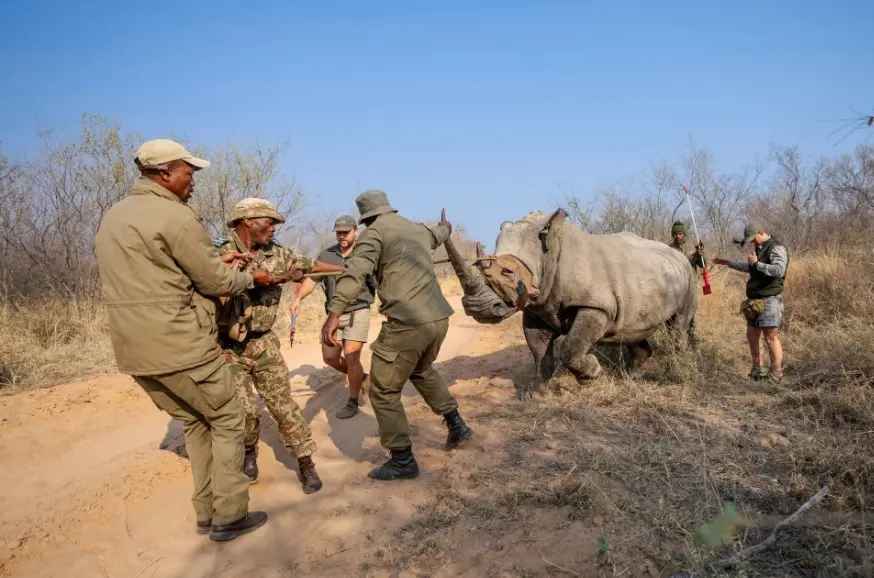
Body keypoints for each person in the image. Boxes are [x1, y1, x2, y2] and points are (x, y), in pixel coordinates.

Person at [94, 139, 271, 541]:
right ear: (164, 173)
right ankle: (229, 516)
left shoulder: (115, 217)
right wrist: (251, 278)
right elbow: (214, 281)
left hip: (134, 350)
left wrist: (214, 261)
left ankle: (206, 513)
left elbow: (158, 272)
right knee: (228, 417)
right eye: (189, 172)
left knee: (195, 421)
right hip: (181, 344)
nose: (193, 181)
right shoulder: (174, 215)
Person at [320, 189, 473, 481]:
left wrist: (334, 313)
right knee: (421, 370)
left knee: (383, 390)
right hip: (438, 318)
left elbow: (355, 274)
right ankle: (457, 426)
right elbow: (437, 235)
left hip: (407, 323)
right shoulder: (414, 228)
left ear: (366, 218)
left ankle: (402, 460)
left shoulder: (373, 235)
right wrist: (446, 228)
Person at [215, 197, 342, 493]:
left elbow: (311, 265)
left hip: (264, 343)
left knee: (283, 405)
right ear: (248, 222)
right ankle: (249, 451)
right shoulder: (219, 254)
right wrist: (268, 279)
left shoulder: (278, 254)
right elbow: (217, 283)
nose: (273, 228)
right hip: (228, 346)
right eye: (268, 222)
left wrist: (345, 269)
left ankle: (305, 461)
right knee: (244, 410)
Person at [292, 215, 377, 419]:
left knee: (351, 356)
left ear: (356, 231)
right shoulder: (327, 255)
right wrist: (298, 299)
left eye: (346, 232)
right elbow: (313, 278)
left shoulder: (365, 254)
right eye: (339, 232)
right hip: (333, 314)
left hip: (358, 310)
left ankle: (353, 401)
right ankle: (362, 377)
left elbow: (379, 281)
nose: (342, 236)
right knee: (330, 357)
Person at [713, 222, 789, 382]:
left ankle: (776, 375)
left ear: (761, 232)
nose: (752, 243)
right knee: (752, 336)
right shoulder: (759, 249)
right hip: (753, 301)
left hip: (770, 299)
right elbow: (751, 268)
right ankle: (758, 371)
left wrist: (756, 264)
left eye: (753, 239)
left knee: (770, 338)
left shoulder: (777, 248)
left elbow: (779, 270)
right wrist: (728, 262)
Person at [668, 220, 705, 344]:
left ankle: (692, 338)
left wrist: (700, 255)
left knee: (690, 313)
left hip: (690, 286)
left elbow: (703, 264)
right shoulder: (669, 249)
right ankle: (672, 341)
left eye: (680, 233)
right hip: (675, 286)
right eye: (675, 234)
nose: (677, 236)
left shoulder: (691, 247)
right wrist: (694, 255)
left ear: (684, 234)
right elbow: (679, 261)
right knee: (672, 315)